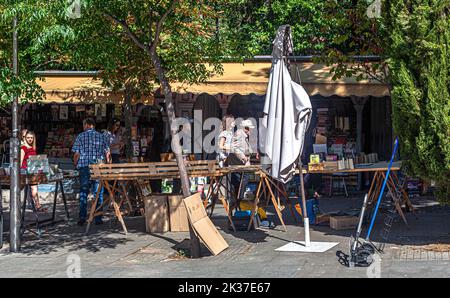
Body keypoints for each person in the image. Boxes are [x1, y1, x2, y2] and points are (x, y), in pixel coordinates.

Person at [72, 118, 111, 226]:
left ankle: (82, 218)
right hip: (98, 167)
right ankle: (98, 218)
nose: (83, 127)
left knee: (84, 191)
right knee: (98, 192)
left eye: (83, 125)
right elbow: (107, 154)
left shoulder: (80, 136)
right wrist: (107, 166)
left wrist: (75, 164)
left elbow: (76, 154)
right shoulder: (101, 136)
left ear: (88, 125)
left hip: (84, 166)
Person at [20, 131, 45, 212]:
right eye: (28, 138)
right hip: (25, 171)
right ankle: (37, 205)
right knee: (32, 187)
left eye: (31, 138)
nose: (30, 139)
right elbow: (20, 162)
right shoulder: (23, 148)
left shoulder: (32, 148)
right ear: (25, 138)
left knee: (33, 187)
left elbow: (34, 160)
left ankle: (36, 205)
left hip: (32, 170)